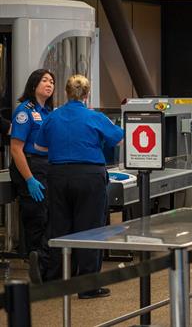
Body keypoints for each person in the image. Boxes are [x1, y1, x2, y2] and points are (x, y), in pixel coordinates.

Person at [35, 74, 123, 299]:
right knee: (91, 229)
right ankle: (87, 286)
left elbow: (39, 146)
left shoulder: (53, 117)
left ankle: (55, 282)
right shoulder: (95, 117)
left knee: (59, 228)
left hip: (58, 176)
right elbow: (119, 139)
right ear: (87, 94)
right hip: (89, 177)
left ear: (65, 92)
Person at [9, 69, 55, 283]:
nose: (49, 84)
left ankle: (46, 266)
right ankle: (36, 267)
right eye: (44, 80)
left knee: (47, 216)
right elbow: (16, 149)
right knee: (36, 217)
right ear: (34, 84)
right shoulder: (24, 111)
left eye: (52, 81)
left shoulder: (48, 112)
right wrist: (29, 179)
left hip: (45, 166)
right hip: (28, 165)